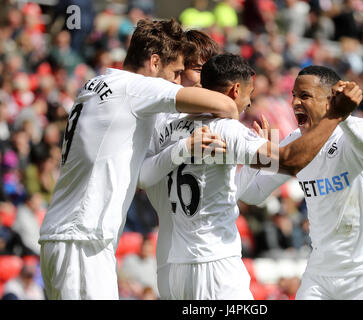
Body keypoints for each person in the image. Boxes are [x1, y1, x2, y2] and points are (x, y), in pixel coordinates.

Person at [38, 18, 239, 300]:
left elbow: (141, 175)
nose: (176, 80)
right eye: (176, 71)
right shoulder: (137, 88)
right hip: (82, 237)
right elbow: (226, 104)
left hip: (68, 235)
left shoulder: (95, 83)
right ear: (155, 62)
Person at [139, 54, 360, 299]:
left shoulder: (171, 129)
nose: (249, 103)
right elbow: (291, 162)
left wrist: (261, 151)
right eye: (249, 93)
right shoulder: (225, 128)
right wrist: (335, 115)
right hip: (216, 265)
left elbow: (234, 188)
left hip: (177, 266)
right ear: (235, 90)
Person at [238, 65, 363, 300]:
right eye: (293, 95)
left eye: (304, 96)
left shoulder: (362, 130)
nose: (294, 103)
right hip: (320, 274)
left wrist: (341, 115)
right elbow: (253, 195)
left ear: (330, 100)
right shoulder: (295, 144)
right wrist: (255, 159)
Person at [141, 29, 221, 300]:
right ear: (178, 68)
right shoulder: (155, 115)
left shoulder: (220, 116)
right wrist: (183, 148)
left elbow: (247, 188)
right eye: (197, 69)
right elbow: (143, 177)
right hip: (171, 250)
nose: (204, 79)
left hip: (216, 251)